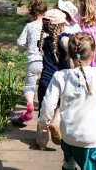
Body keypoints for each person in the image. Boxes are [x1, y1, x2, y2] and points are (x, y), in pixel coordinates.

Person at [38, 32, 96, 170]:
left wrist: (43, 123)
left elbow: (48, 105)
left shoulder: (59, 76)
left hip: (68, 136)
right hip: (93, 140)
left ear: (69, 54)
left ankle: (69, 165)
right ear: (93, 54)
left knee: (69, 158)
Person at [36, 9, 70, 146]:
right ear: (61, 26)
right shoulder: (65, 38)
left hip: (45, 81)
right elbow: (71, 48)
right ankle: (56, 122)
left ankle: (41, 142)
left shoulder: (42, 42)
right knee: (62, 106)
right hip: (62, 81)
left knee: (43, 112)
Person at [13, 0, 48, 125]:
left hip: (33, 61)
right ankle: (46, 106)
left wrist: (25, 48)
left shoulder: (29, 26)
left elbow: (21, 42)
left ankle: (29, 105)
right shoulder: (48, 26)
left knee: (29, 86)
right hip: (46, 61)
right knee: (47, 85)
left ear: (31, 13)